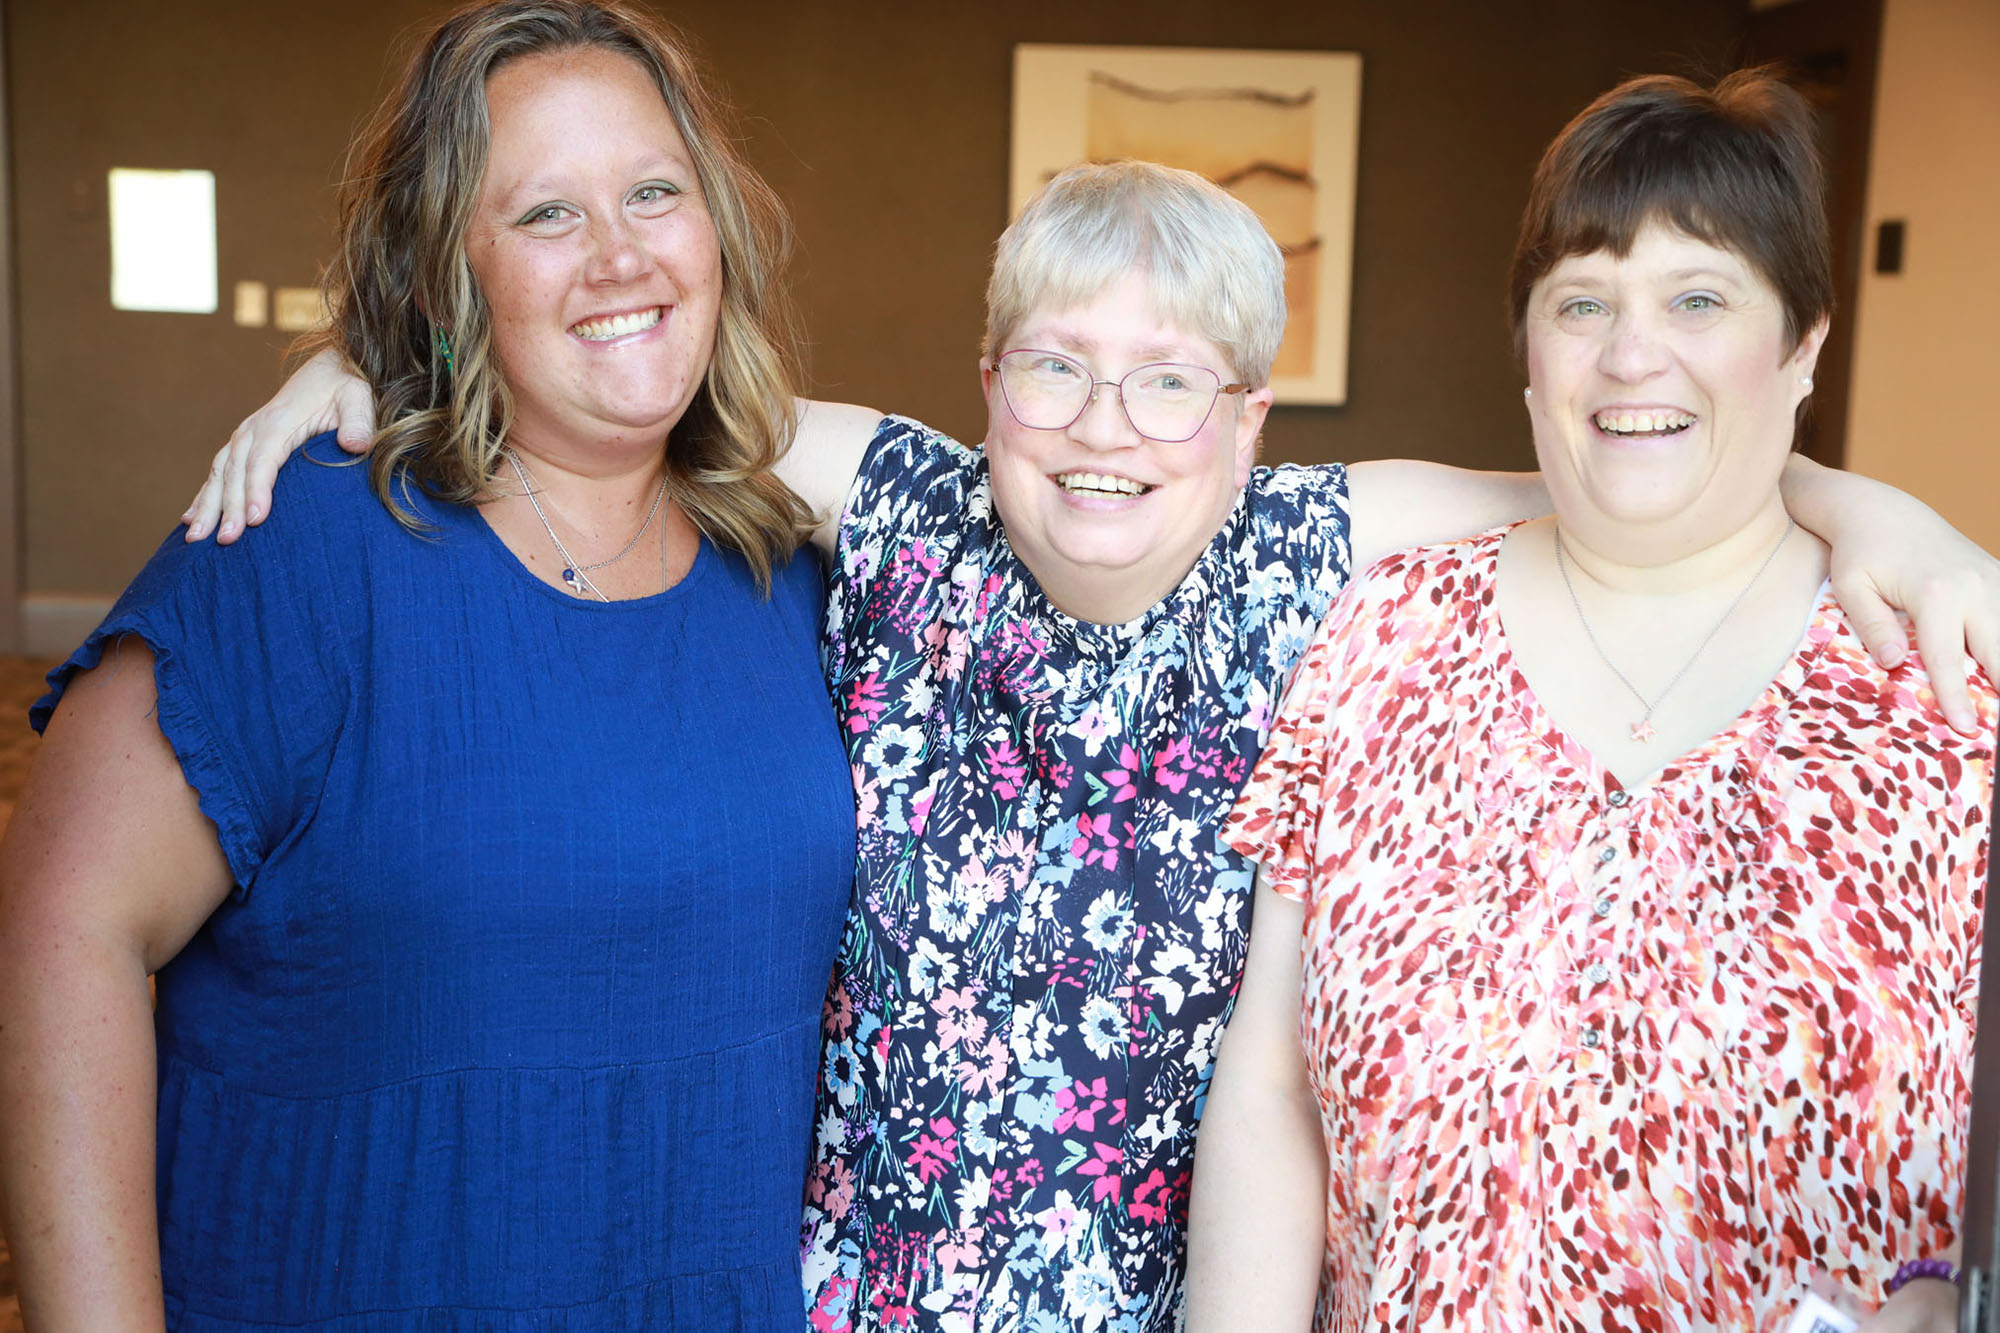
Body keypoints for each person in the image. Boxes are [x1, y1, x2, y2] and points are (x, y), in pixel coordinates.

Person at [184, 150, 2000, 1332]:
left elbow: (1638, 465)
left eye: (1171, 379)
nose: (1106, 424)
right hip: (860, 1294)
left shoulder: (1310, 541)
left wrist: (1881, 511)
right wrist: (372, 374)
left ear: (1248, 414)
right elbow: (610, 388)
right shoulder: (898, 499)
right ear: (990, 381)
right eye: (1056, 364)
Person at [0, 3, 856, 1328]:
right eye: (546, 213)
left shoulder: (800, 573)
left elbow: (1086, 483)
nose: (620, 253)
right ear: (443, 271)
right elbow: (66, 932)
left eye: (654, 192)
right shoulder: (306, 549)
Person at [1192, 69, 1991, 1332]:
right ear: (1527, 353)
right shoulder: (1382, 636)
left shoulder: (1941, 691)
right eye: (1581, 302)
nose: (1629, 353)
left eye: (1696, 297)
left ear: (1801, 344)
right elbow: (1269, 1092)